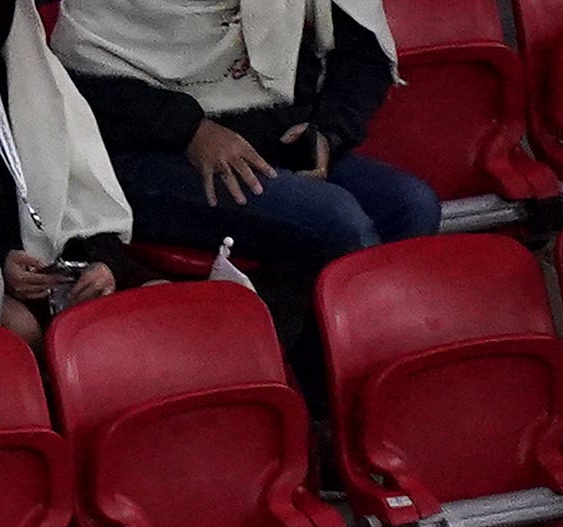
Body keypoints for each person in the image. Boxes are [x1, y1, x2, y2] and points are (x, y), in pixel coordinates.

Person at [55, 0, 433, 367]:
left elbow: (360, 52)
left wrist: (330, 132)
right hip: (147, 155)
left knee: (409, 205)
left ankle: (341, 379)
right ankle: (336, 393)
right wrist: (191, 131)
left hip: (270, 141)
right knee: (337, 220)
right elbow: (78, 79)